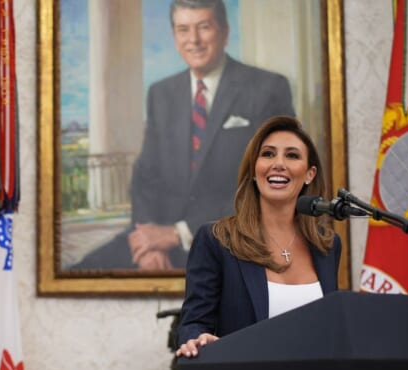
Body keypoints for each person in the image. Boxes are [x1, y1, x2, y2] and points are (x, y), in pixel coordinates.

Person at [72, 0, 295, 270]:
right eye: (183, 30)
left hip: (230, 239)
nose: (194, 40)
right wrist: (147, 243)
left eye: (204, 27)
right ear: (175, 38)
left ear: (224, 32)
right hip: (160, 236)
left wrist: (179, 233)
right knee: (82, 272)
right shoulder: (161, 93)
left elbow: (274, 183)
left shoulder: (267, 88)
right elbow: (145, 177)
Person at [175, 115, 341, 358]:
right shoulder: (217, 240)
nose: (279, 164)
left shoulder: (327, 245)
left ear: (309, 174)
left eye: (292, 155)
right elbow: (193, 324)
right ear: (254, 169)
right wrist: (197, 340)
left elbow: (331, 330)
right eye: (268, 154)